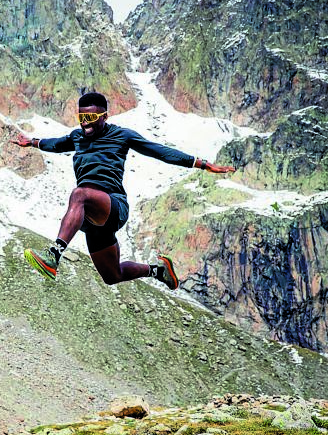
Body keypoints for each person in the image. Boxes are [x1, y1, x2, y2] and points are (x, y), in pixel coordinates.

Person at [12, 91, 235, 290]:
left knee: (79, 193)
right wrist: (31, 142)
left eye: (90, 118)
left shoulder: (121, 136)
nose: (85, 124)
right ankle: (159, 271)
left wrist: (203, 164)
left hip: (113, 206)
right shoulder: (77, 137)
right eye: (81, 118)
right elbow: (56, 144)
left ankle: (53, 255)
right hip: (92, 221)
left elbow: (160, 152)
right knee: (112, 275)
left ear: (104, 116)